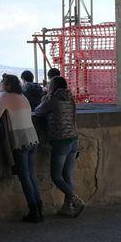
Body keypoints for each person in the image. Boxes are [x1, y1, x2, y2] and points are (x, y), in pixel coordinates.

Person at [0, 73, 41, 222]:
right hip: (32, 138)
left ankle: (33, 211)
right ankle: (39, 207)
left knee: (24, 177)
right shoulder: (23, 97)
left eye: (3, 82)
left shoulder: (5, 97)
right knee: (31, 176)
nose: (1, 84)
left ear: (8, 85)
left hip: (20, 140)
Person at [35, 76, 85, 217]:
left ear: (53, 87)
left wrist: (45, 98)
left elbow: (38, 111)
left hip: (60, 141)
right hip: (74, 139)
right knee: (67, 175)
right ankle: (67, 207)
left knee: (56, 176)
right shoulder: (71, 99)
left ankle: (75, 200)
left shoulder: (52, 100)